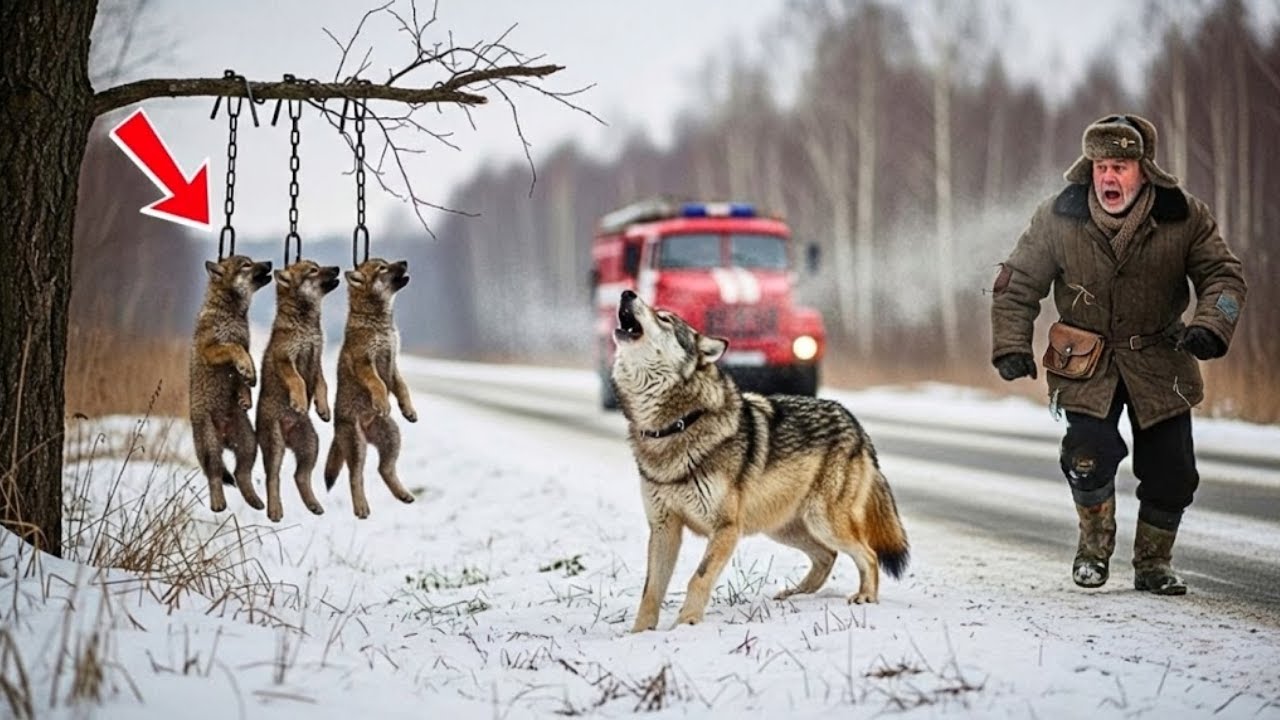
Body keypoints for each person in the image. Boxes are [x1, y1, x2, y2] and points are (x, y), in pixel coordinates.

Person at [989, 113, 1247, 595]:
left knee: (1173, 473)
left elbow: (1224, 276)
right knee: (1086, 454)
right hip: (1085, 362)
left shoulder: (1184, 215)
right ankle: (1092, 550)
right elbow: (1017, 282)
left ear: (1144, 169)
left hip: (1162, 360)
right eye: (1101, 165)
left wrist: (1212, 325)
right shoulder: (1058, 215)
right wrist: (1010, 344)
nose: (1109, 176)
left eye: (1121, 166)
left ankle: (1153, 564)